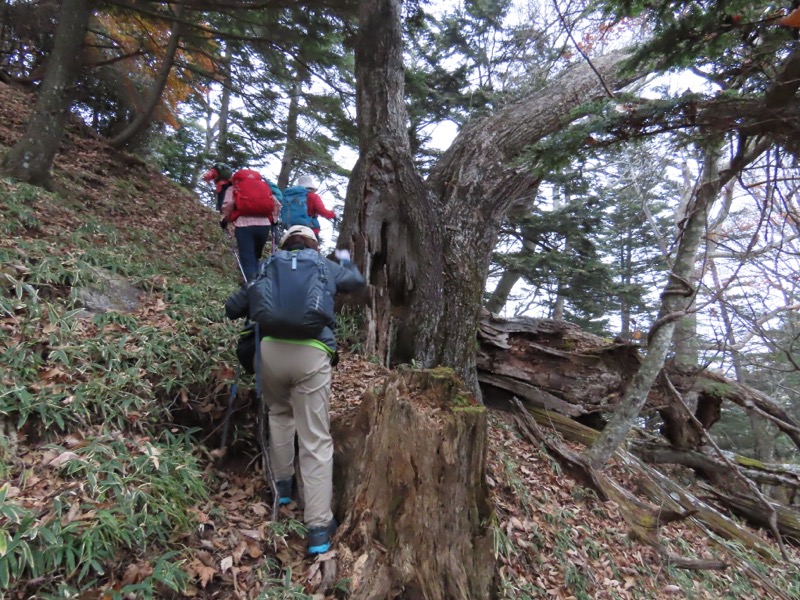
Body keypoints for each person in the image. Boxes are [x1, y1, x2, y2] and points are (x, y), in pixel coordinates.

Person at [224, 225, 365, 554]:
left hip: (270, 351)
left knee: (280, 414)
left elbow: (233, 307)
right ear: (314, 245)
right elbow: (357, 283)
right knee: (315, 438)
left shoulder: (268, 266)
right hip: (311, 353)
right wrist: (344, 257)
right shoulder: (322, 264)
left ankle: (281, 487)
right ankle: (317, 527)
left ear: (285, 242)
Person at [220, 169, 283, 281]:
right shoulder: (264, 186)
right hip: (264, 226)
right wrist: (274, 220)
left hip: (244, 226)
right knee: (256, 256)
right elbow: (276, 204)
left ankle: (251, 286)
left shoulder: (234, 187)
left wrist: (225, 218)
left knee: (247, 258)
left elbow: (228, 204)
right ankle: (258, 281)